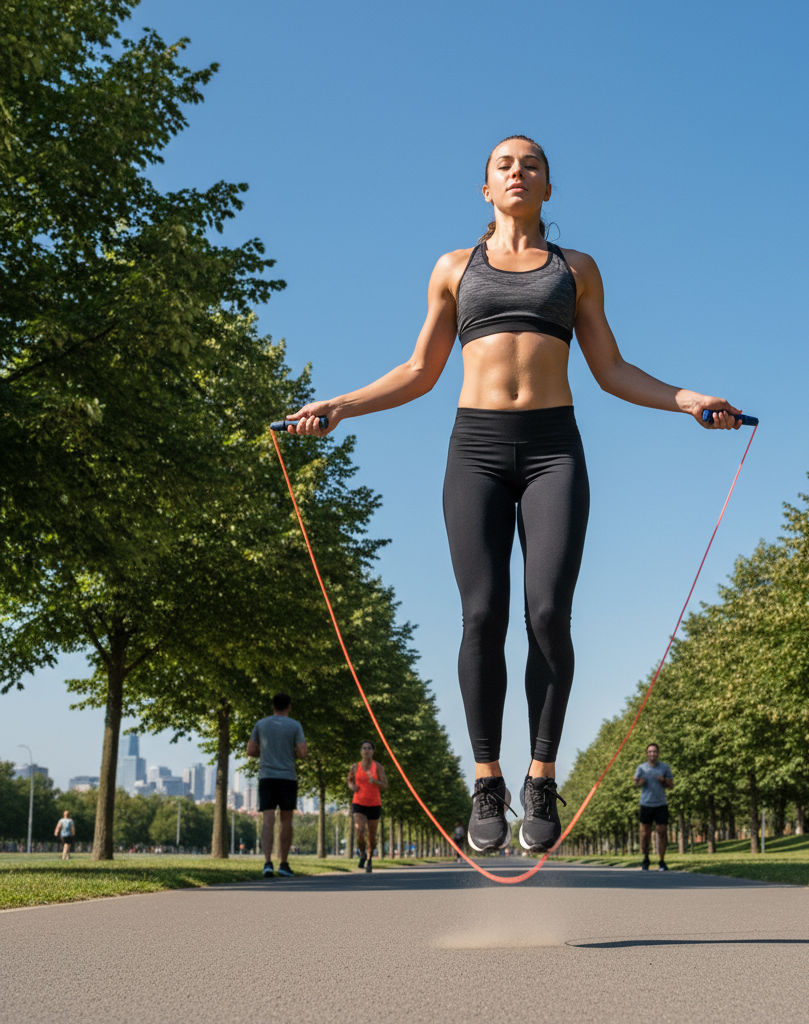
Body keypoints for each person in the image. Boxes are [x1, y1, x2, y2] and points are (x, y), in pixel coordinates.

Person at [285, 135, 743, 855]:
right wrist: (340, 405)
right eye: (505, 164)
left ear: (548, 189)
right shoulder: (453, 268)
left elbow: (613, 368)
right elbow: (418, 370)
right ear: (485, 187)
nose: (518, 172)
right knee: (480, 615)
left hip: (554, 448)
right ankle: (488, 779)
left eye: (531, 164)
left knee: (547, 611)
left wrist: (687, 399)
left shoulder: (577, 270)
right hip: (476, 448)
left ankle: (541, 776)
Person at [246, 693, 308, 878]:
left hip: (267, 777)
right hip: (287, 777)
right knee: (286, 821)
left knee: (268, 820)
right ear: (289, 707)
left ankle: (267, 863)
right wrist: (290, 751)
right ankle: (283, 863)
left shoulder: (261, 724)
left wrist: (265, 752)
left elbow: (250, 750)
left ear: (273, 706)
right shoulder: (295, 725)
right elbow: (303, 752)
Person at [347, 740, 388, 873]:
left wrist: (375, 781)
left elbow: (385, 786)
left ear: (372, 751)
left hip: (374, 804)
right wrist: (353, 787)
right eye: (364, 748)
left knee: (372, 836)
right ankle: (362, 853)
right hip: (358, 802)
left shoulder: (378, 767)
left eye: (369, 748)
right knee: (359, 831)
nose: (366, 750)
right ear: (361, 751)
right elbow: (350, 780)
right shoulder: (355, 767)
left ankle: (369, 859)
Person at [634, 743, 673, 870]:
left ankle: (661, 861)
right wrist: (639, 782)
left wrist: (664, 781)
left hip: (661, 803)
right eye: (650, 752)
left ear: (658, 753)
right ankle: (646, 859)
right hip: (646, 804)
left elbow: (671, 785)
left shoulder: (664, 767)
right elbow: (636, 783)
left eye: (654, 751)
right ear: (647, 754)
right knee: (645, 833)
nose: (652, 754)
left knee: (662, 832)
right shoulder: (641, 768)